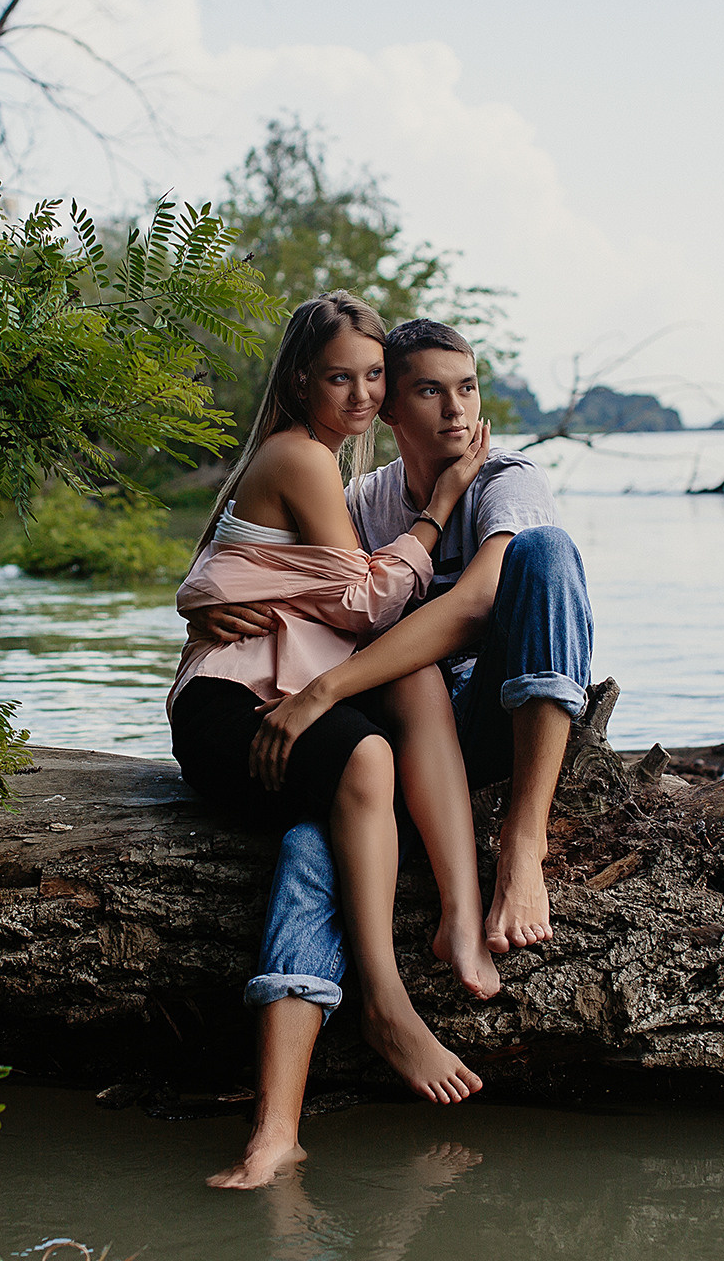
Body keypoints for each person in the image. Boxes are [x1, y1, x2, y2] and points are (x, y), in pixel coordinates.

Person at [188, 321, 594, 1184]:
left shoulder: (505, 475)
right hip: (389, 733)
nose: (455, 410)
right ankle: (277, 1127)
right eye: (424, 390)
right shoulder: (361, 493)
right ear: (394, 410)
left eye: (469, 388)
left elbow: (480, 600)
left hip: (489, 722)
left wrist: (324, 691)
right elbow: (283, 573)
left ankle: (519, 850)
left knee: (548, 555)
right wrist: (206, 603)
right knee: (314, 841)